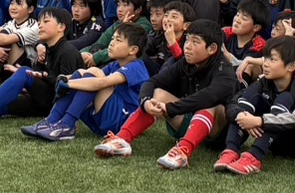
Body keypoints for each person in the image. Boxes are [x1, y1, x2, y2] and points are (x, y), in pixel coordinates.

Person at [91, 19, 238, 167]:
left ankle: (183, 151)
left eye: (195, 42)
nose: (187, 46)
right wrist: (145, 101)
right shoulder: (185, 63)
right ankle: (122, 139)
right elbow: (153, 82)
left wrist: (171, 108)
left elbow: (209, 97)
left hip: (217, 136)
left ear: (212, 49)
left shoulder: (224, 70)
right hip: (190, 122)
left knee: (211, 106)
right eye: (187, 39)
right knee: (158, 94)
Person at [215, 36, 295, 175]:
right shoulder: (264, 81)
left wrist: (260, 121)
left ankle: (254, 157)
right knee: (247, 101)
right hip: (278, 143)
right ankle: (231, 150)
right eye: (265, 58)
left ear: (291, 66)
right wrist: (242, 116)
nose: (265, 63)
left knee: (285, 99)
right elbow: (233, 103)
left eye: (272, 59)